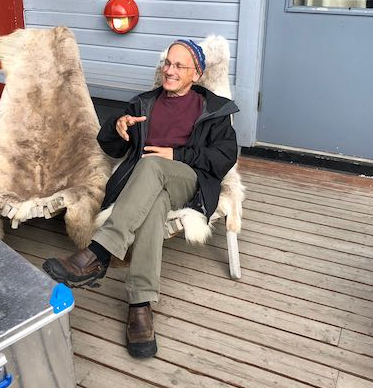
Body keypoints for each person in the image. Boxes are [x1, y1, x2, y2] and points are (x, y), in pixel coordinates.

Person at [43, 39, 238, 358]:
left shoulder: (214, 110)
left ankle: (99, 252)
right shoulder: (143, 104)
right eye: (167, 64)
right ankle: (140, 305)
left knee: (153, 165)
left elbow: (224, 157)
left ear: (197, 74)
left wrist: (176, 154)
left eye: (179, 66)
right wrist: (116, 126)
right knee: (153, 204)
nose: (170, 70)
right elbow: (110, 148)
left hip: (187, 179)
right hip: (147, 187)